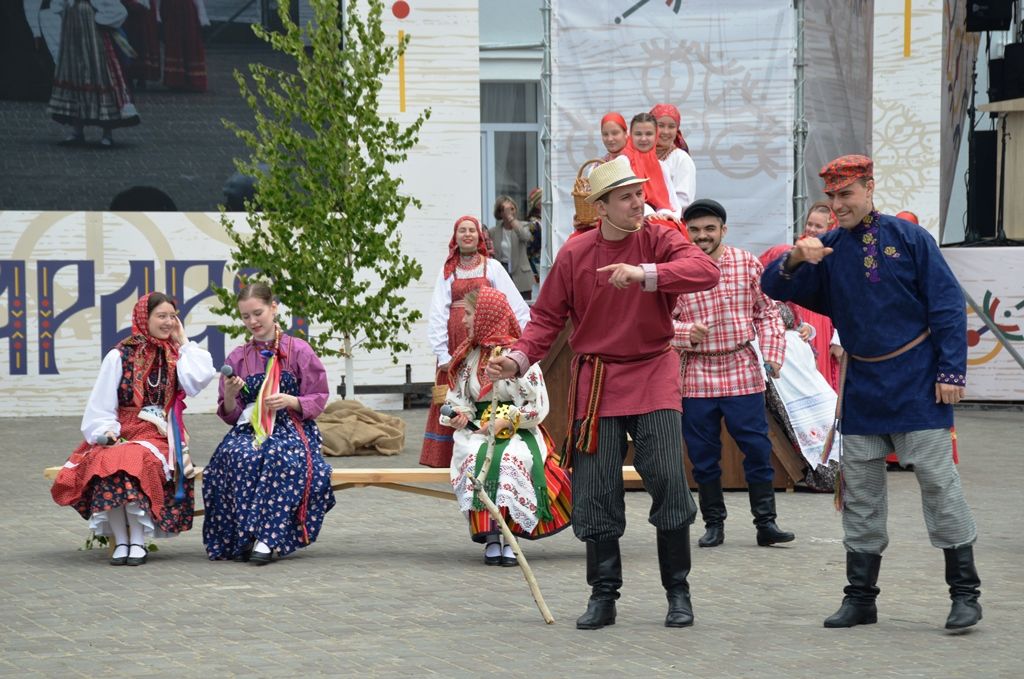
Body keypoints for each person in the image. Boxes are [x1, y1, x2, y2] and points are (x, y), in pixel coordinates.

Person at [486, 156, 720, 630]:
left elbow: (704, 271)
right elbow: (547, 319)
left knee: (669, 482)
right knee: (595, 490)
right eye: (627, 196)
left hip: (653, 370)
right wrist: (516, 359)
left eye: (639, 193)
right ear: (603, 207)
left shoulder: (659, 237)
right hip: (596, 381)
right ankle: (603, 595)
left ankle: (678, 592)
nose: (638, 202)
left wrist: (645, 274)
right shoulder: (575, 253)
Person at [762, 154, 981, 630]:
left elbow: (945, 307)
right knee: (860, 493)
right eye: (832, 197)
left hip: (918, 386)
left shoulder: (910, 238)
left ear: (869, 188)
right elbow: (771, 284)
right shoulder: (828, 249)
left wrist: (952, 374)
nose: (839, 204)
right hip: (862, 390)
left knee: (940, 487)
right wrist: (798, 256)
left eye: (848, 194)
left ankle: (965, 593)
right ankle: (860, 598)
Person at [51, 292, 216, 565]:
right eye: (161, 316)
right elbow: (102, 402)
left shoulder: (177, 356)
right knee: (109, 460)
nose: (168, 322)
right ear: (144, 318)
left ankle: (137, 541)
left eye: (172, 316)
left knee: (134, 459)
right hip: (122, 429)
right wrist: (107, 431)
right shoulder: (120, 355)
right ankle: (122, 542)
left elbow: (198, 380)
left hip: (158, 434)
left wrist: (184, 341)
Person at [671, 199, 795, 549]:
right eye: (694, 230)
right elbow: (660, 321)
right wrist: (684, 334)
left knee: (757, 448)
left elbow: (768, 313)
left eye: (709, 229)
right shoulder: (677, 269)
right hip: (697, 371)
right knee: (702, 455)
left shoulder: (746, 263)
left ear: (724, 230)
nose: (702, 236)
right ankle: (714, 524)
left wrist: (772, 355)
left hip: (741, 366)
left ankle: (766, 523)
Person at [202, 282, 336, 565]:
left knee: (278, 455)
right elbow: (229, 414)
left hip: (293, 427)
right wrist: (229, 393)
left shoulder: (298, 349)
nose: (252, 321)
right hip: (251, 427)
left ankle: (269, 537)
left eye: (257, 313)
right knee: (235, 455)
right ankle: (245, 536)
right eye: (245, 317)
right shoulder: (238, 357)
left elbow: (319, 395)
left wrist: (291, 401)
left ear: (274, 308)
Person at [442, 287, 572, 566]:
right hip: (477, 431)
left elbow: (536, 406)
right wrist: (459, 415)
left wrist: (508, 420)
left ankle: (511, 536)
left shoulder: (517, 357)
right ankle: (490, 537)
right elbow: (458, 398)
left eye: (468, 314)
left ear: (486, 316)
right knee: (476, 457)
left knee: (513, 459)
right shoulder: (469, 356)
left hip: (518, 431)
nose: (463, 321)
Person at [420, 216, 531, 468]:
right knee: (455, 393)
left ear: (479, 236)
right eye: (462, 231)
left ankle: (489, 438)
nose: (467, 234)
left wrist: (525, 341)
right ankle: (447, 454)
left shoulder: (491, 267)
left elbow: (512, 301)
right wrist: (443, 353)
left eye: (471, 230)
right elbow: (438, 309)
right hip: (455, 340)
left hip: (489, 336)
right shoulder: (448, 270)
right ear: (455, 237)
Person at [47, 0, 140, 147]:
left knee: (101, 77)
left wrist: (99, 19)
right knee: (75, 77)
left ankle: (107, 133)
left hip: (95, 39)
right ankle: (77, 131)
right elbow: (58, 6)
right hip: (73, 37)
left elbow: (119, 11)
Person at [797, 202, 844, 390]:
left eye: (818, 226)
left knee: (820, 377)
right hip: (799, 323)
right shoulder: (796, 252)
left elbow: (846, 301)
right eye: (809, 224)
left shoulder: (837, 257)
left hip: (824, 323)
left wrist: (839, 340)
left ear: (830, 228)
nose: (811, 230)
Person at [620, 112, 684, 232]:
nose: (643, 139)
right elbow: (621, 199)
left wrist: (666, 214)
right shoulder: (623, 162)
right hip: (630, 220)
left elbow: (671, 201)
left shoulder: (661, 166)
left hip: (657, 218)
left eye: (649, 134)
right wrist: (648, 213)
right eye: (638, 134)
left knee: (675, 228)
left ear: (656, 136)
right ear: (630, 136)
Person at [650, 103, 696, 214]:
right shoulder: (640, 155)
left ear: (677, 130)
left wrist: (658, 214)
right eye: (660, 125)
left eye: (671, 126)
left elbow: (684, 200)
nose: (666, 131)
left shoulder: (681, 159)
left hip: (670, 222)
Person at [489, 195, 536, 300]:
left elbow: (526, 237)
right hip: (502, 273)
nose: (509, 212)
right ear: (499, 212)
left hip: (521, 276)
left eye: (512, 209)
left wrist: (510, 218)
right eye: (505, 210)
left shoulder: (523, 226)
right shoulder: (493, 232)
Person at [159, 0, 208, 92]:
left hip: (185, 12)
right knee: (175, 43)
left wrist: (202, 19)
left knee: (189, 42)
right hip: (172, 11)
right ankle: (176, 80)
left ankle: (190, 79)